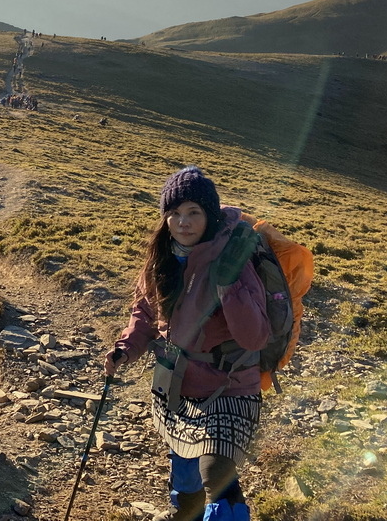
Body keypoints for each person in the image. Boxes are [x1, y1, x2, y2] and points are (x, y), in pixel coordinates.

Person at [104, 166, 270, 521]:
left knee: (219, 479)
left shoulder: (233, 258)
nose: (183, 222)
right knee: (184, 465)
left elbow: (255, 336)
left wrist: (229, 286)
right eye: (174, 213)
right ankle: (184, 513)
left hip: (229, 387)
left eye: (193, 212)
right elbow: (146, 311)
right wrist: (125, 349)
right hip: (179, 384)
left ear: (209, 215)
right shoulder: (163, 256)